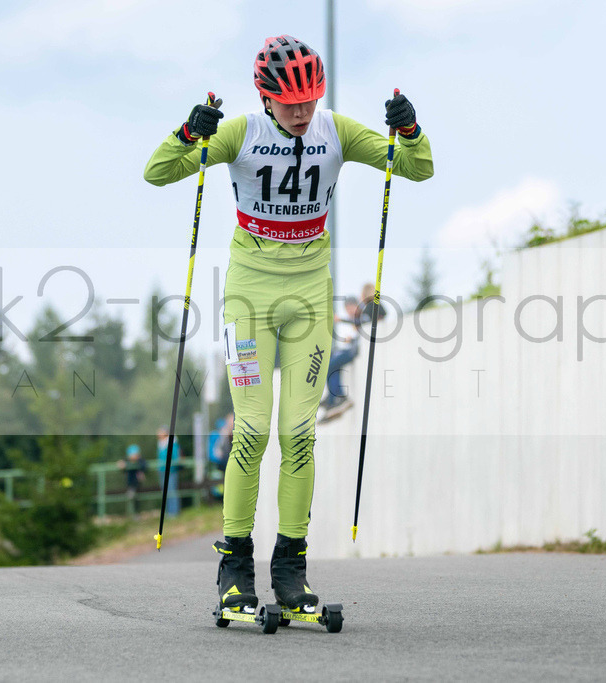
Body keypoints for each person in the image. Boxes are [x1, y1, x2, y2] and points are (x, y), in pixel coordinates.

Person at [144, 35, 432, 615]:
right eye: (289, 102)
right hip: (250, 297)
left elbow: (417, 169)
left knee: (299, 433)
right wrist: (189, 133)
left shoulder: (337, 131)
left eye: (309, 101)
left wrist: (410, 129)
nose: (301, 113)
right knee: (252, 431)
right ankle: (234, 571)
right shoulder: (241, 133)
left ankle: (291, 570)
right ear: (265, 96)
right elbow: (158, 172)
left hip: (308, 298)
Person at [321, 296, 362, 421]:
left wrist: (341, 320)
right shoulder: (353, 321)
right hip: (348, 349)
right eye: (347, 309)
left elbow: (363, 323)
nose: (349, 311)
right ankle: (332, 399)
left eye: (351, 308)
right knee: (331, 363)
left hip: (352, 351)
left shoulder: (361, 316)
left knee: (330, 365)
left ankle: (338, 397)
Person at [155, 427, 180, 518]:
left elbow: (175, 457)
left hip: (171, 471)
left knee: (171, 490)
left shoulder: (172, 443)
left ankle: (174, 512)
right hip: (162, 470)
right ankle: (169, 512)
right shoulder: (161, 444)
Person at [118, 444, 147, 514]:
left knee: (137, 500)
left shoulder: (140, 461)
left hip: (138, 485)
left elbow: (144, 465)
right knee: (131, 499)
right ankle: (131, 514)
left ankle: (137, 513)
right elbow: (121, 464)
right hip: (130, 485)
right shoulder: (127, 461)